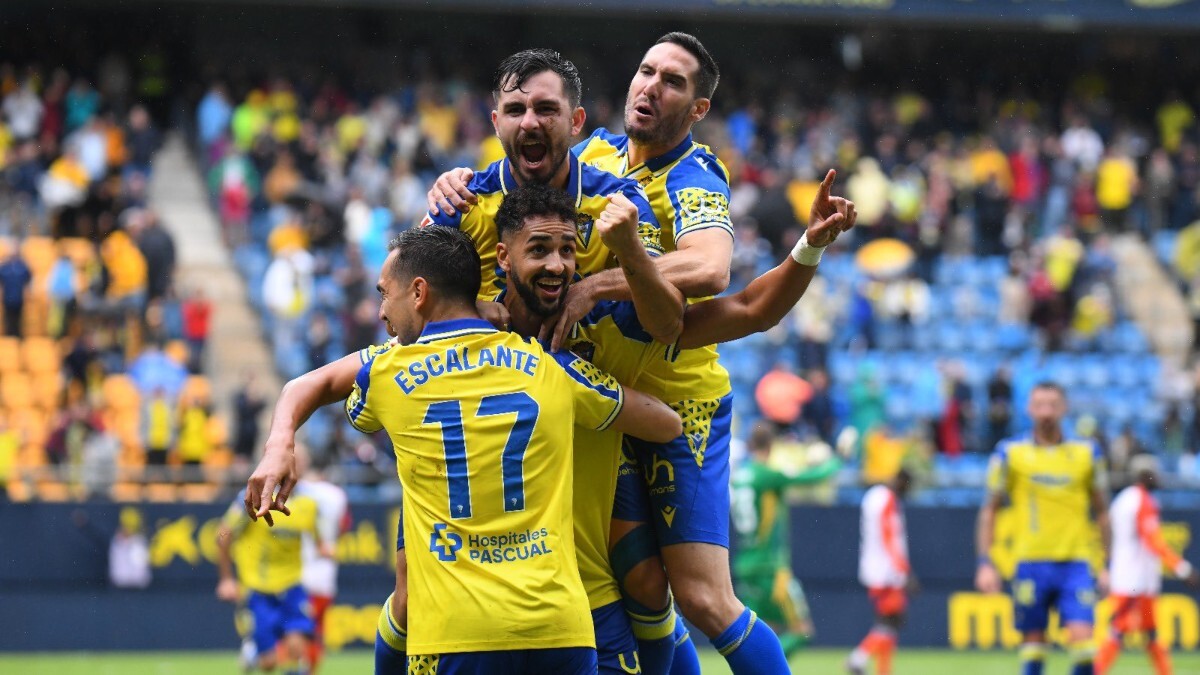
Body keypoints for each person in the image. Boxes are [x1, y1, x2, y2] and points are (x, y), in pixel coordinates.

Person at [247, 179, 852, 674]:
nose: (558, 264)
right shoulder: (524, 358)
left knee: (654, 584)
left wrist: (808, 248)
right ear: (501, 259)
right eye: (540, 251)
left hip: (569, 581)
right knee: (407, 590)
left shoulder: (608, 320)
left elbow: (745, 310)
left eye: (568, 251)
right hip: (524, 600)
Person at [428, 35, 857, 674]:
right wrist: (455, 180)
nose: (651, 86)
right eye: (646, 70)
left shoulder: (693, 173)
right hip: (599, 400)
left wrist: (601, 280)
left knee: (702, 597)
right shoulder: (593, 154)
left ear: (699, 107)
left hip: (676, 398)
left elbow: (716, 276)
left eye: (674, 81)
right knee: (633, 584)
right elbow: (509, 179)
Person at [252, 225, 682, 674]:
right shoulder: (554, 369)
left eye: (385, 294)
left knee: (401, 600)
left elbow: (314, 385)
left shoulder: (387, 373)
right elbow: (665, 423)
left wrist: (281, 444)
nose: (381, 310)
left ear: (419, 292)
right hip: (559, 630)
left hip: (456, 632)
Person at [418, 49, 663, 301]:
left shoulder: (623, 203)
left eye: (546, 109)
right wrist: (473, 314)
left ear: (576, 121)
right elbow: (402, 299)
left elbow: (665, 319)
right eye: (514, 110)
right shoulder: (460, 201)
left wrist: (622, 259)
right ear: (496, 124)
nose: (529, 123)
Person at [976, 382, 1111, 675]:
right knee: (1033, 645)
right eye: (1040, 405)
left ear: (1064, 408)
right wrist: (985, 563)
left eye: (1052, 404)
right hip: (1029, 562)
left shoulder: (1088, 454)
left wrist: (1107, 565)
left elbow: (1102, 513)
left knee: (1083, 643)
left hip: (1076, 563)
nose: (1046, 412)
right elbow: (989, 510)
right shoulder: (1009, 454)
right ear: (1028, 409)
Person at [730, 424, 842, 657]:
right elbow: (813, 477)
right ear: (771, 446)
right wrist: (838, 459)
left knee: (760, 633)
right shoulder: (768, 475)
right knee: (802, 630)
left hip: (745, 565)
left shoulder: (739, 476)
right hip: (771, 568)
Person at [1096, 454, 1200, 675]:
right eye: (1155, 473)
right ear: (1145, 475)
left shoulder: (1123, 499)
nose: (1159, 477)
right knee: (1119, 629)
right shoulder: (1141, 500)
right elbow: (1153, 540)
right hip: (1135, 579)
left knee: (1150, 631)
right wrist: (1183, 569)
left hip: (1129, 574)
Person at [217, 482, 331, 674]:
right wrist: (226, 579)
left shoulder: (307, 504)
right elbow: (223, 535)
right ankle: (253, 650)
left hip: (292, 586)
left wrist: (324, 549)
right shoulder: (251, 498)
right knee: (268, 664)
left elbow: (318, 538)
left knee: (297, 649)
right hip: (259, 588)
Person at [847, 468, 913, 675]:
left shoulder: (873, 496)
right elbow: (888, 534)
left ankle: (883, 671)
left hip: (873, 567)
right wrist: (903, 569)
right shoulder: (887, 499)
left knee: (888, 623)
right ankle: (859, 657)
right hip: (887, 571)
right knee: (891, 622)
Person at [297, 451, 350, 674]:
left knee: (296, 626)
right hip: (325, 571)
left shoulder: (301, 492)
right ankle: (307, 668)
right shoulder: (338, 495)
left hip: (299, 567)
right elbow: (343, 526)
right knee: (316, 628)